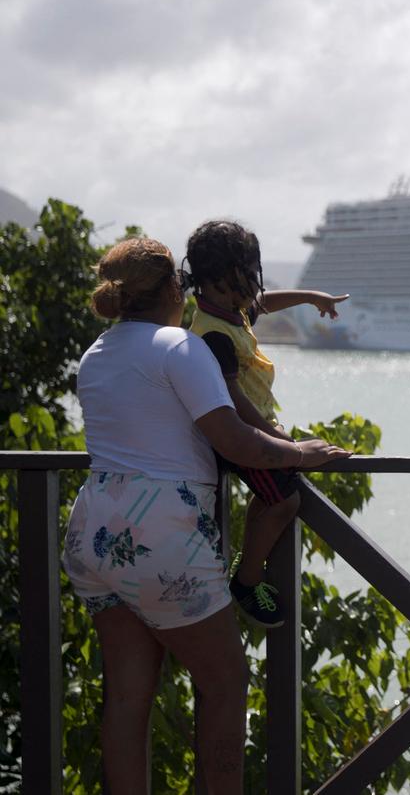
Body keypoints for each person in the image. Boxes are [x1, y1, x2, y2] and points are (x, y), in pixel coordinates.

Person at [61, 237, 350, 793]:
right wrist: (299, 454)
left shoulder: (97, 352)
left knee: (127, 696)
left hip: (93, 530)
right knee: (224, 683)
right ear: (174, 288)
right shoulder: (180, 347)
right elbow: (233, 439)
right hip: (159, 534)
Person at [181, 219, 349, 629]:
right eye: (247, 276)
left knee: (273, 493)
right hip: (237, 433)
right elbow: (232, 402)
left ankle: (248, 558)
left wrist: (309, 296)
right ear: (222, 278)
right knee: (285, 500)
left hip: (252, 427)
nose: (253, 290)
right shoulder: (214, 334)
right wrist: (279, 441)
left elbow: (263, 303)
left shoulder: (226, 310)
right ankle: (247, 580)